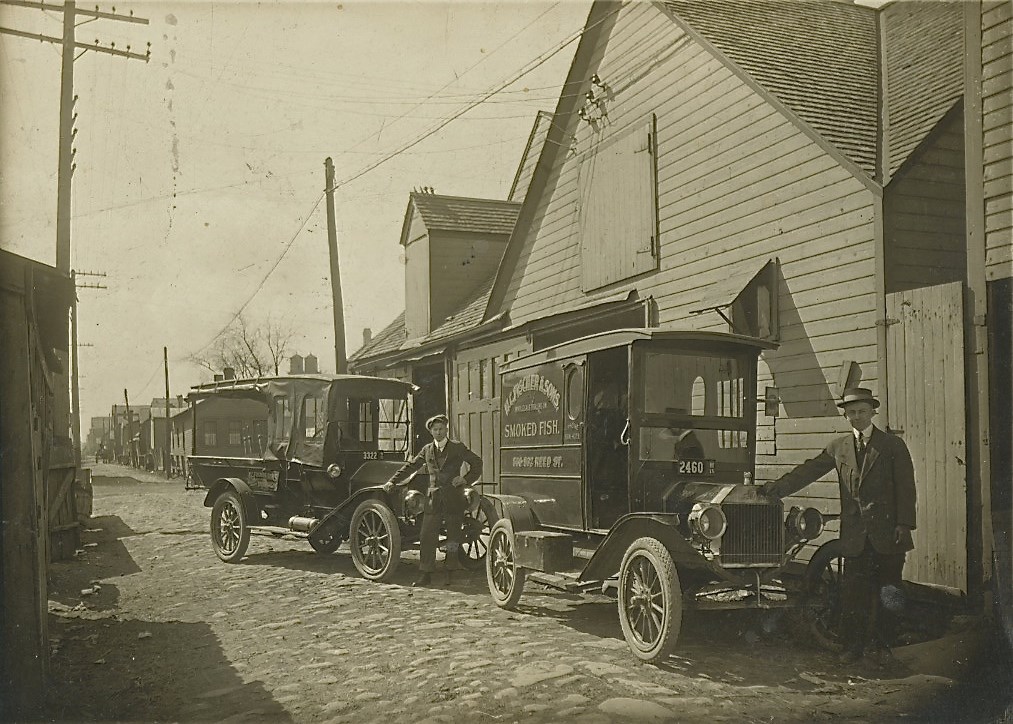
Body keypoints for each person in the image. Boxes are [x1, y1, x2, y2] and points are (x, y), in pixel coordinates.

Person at [761, 387, 916, 666]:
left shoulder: (892, 446)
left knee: (889, 592)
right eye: (852, 412)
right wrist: (777, 488)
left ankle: (884, 647)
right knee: (853, 593)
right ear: (846, 415)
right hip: (855, 536)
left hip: (888, 533)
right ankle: (853, 647)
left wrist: (904, 524)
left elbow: (907, 488)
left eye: (862, 412)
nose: (857, 417)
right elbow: (809, 470)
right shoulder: (838, 447)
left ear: (872, 413)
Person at [383, 414, 482, 587]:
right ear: (431, 432)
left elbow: (477, 463)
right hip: (433, 499)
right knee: (427, 535)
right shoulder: (427, 450)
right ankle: (425, 573)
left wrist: (466, 479)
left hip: (453, 498)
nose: (438, 432)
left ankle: (450, 571)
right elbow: (411, 466)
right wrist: (393, 480)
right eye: (435, 430)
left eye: (441, 429)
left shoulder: (457, 448)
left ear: (446, 430)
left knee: (453, 536)